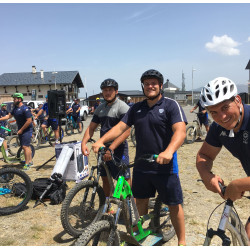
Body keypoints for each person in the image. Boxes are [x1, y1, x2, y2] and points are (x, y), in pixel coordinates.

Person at [92, 69, 187, 246]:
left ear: (160, 86)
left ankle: (182, 242)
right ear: (143, 86)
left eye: (153, 83)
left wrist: (168, 151)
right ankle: (140, 234)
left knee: (174, 204)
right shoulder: (137, 108)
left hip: (165, 166)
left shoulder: (170, 105)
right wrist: (102, 141)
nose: (150, 86)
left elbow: (180, 132)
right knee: (140, 201)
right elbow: (120, 127)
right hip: (142, 164)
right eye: (146, 83)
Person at [196, 77, 250, 242]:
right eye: (214, 112)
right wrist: (207, 176)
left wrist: (238, 185)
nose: (222, 116)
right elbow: (204, 155)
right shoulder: (218, 128)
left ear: (238, 100)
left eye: (225, 107)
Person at [81, 78, 132, 209]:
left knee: (123, 180)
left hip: (119, 148)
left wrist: (112, 148)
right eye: (105, 90)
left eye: (110, 90)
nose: (107, 93)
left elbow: (126, 132)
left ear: (116, 91)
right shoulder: (100, 108)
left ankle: (127, 207)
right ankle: (107, 206)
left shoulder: (123, 107)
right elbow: (91, 127)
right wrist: (83, 143)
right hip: (103, 148)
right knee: (105, 178)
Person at [0, 93, 33, 170]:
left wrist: (21, 129)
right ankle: (30, 161)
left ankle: (27, 164)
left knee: (25, 146)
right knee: (25, 146)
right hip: (21, 130)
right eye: (13, 98)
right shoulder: (15, 109)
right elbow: (8, 116)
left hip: (27, 129)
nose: (13, 100)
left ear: (20, 99)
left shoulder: (25, 109)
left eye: (15, 99)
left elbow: (29, 121)